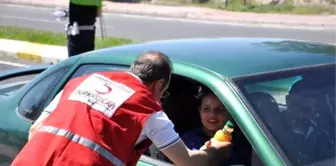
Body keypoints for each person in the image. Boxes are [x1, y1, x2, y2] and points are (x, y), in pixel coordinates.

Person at [11, 51, 231, 166]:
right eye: (163, 94)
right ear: (160, 85)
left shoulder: (83, 81)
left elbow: (35, 131)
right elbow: (189, 163)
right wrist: (217, 149)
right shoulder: (148, 110)